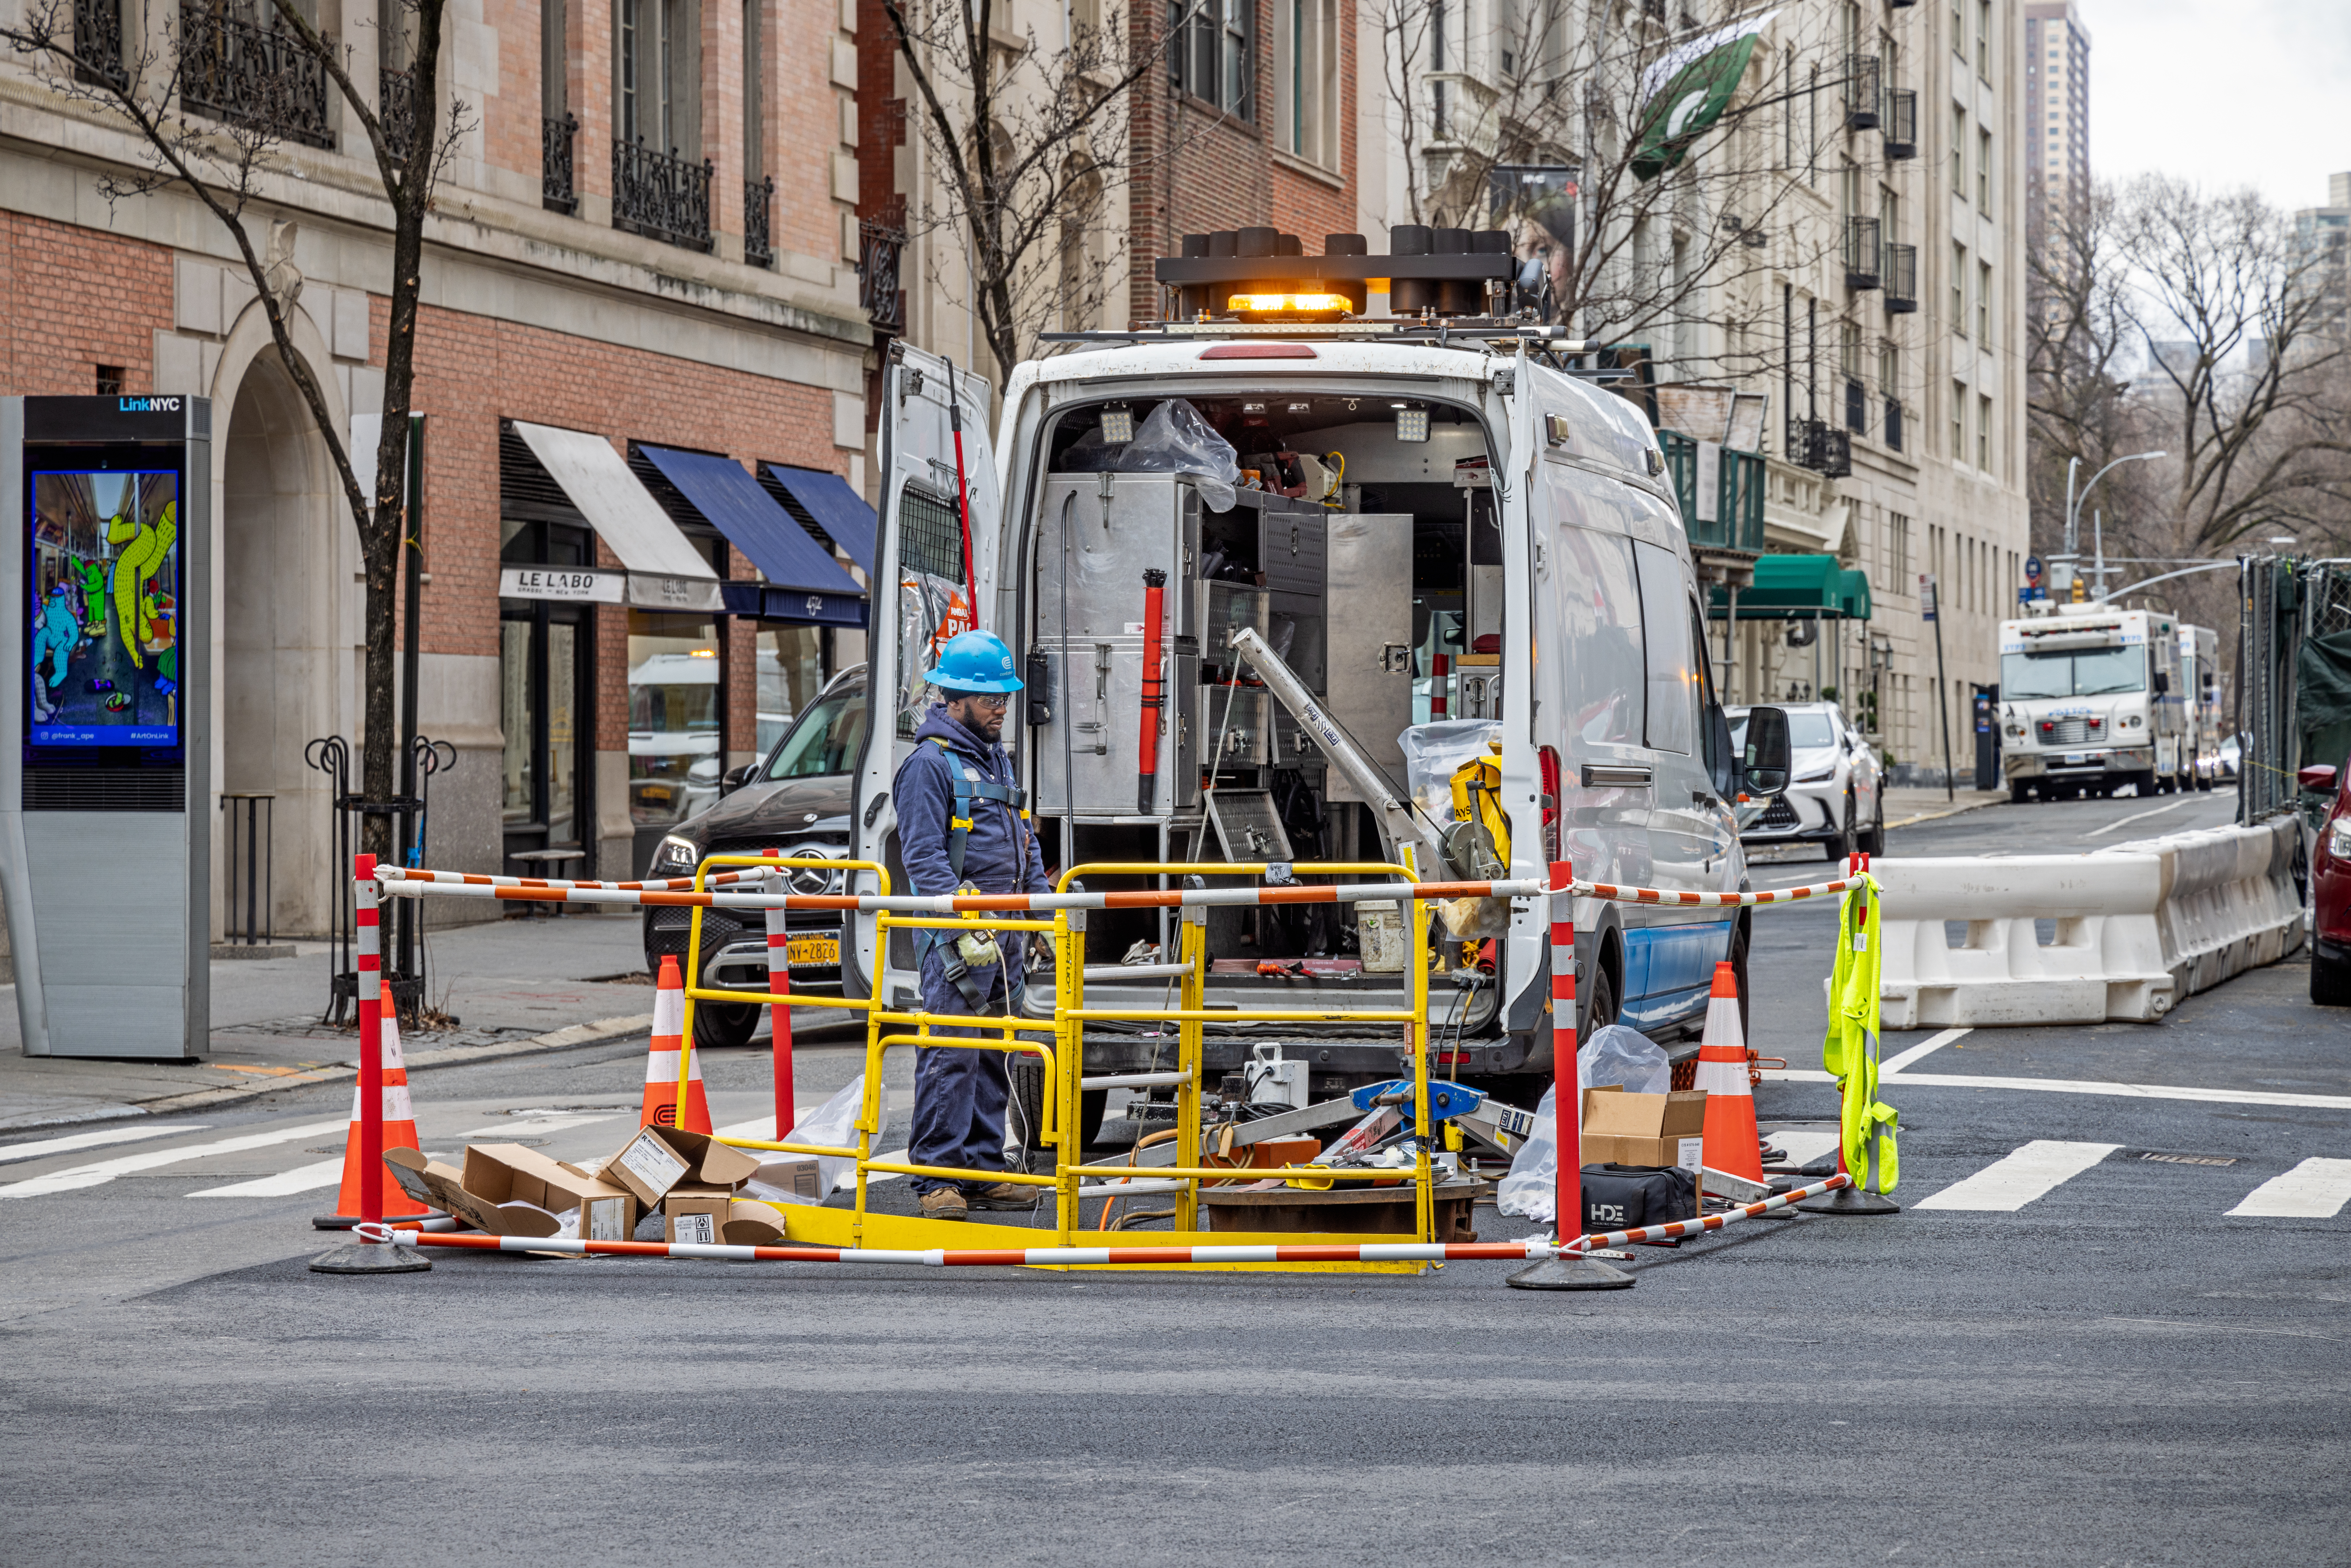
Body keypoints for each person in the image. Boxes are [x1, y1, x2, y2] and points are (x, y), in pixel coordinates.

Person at [893, 629, 1052, 1222]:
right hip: (958, 940)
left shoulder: (995, 759)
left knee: (993, 1053)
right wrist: (963, 919)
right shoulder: (927, 767)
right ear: (954, 699)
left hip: (1004, 933)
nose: (1002, 708)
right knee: (951, 1052)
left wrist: (1041, 910)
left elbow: (1023, 841)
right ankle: (938, 1176)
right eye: (992, 700)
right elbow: (924, 860)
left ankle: (982, 1170)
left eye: (1006, 699)